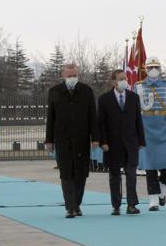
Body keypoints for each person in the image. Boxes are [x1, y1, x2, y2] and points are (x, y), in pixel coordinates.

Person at [44, 63, 98, 218]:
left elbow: (93, 116)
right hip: (63, 139)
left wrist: (95, 138)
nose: (72, 78)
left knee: (81, 174)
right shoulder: (55, 92)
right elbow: (51, 118)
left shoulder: (86, 91)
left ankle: (77, 204)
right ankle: (70, 207)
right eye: (69, 76)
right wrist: (49, 140)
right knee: (66, 174)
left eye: (74, 75)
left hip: (82, 139)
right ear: (63, 76)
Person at [134, 57, 166, 210]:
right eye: (150, 67)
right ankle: (153, 199)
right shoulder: (138, 86)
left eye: (156, 67)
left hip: (164, 128)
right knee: (150, 166)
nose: (153, 70)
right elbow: (134, 110)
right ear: (146, 69)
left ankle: (161, 188)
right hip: (146, 129)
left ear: (160, 69)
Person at [97, 69, 145, 215]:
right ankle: (116, 205)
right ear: (114, 81)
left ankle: (132, 205)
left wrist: (141, 140)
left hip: (131, 143)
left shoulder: (133, 98)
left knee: (131, 174)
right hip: (112, 144)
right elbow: (101, 123)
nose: (124, 81)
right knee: (114, 176)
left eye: (125, 78)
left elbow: (138, 120)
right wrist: (103, 142)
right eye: (121, 79)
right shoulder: (104, 99)